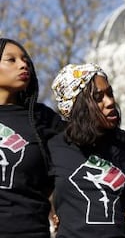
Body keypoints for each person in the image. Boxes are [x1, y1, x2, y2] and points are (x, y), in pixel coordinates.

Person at [49, 63, 125, 237]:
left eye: (110, 93)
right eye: (98, 97)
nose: (110, 102)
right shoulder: (54, 147)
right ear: (76, 106)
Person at [0, 38, 63, 238]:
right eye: (11, 60)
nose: (23, 64)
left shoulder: (42, 118)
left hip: (29, 229)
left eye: (25, 60)